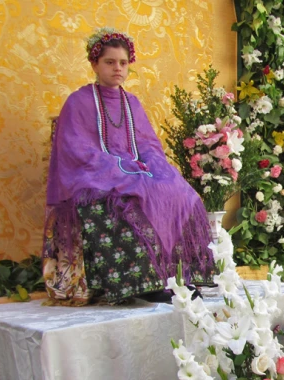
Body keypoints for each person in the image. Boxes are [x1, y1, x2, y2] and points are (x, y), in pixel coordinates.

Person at [43, 28, 213, 305]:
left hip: (129, 171)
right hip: (91, 178)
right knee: (123, 201)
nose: (117, 68)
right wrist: (121, 167)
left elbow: (148, 146)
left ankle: (175, 279)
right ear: (95, 64)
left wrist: (156, 170)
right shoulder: (78, 102)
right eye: (110, 62)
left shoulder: (131, 102)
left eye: (123, 63)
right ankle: (143, 284)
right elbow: (77, 150)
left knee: (180, 193)